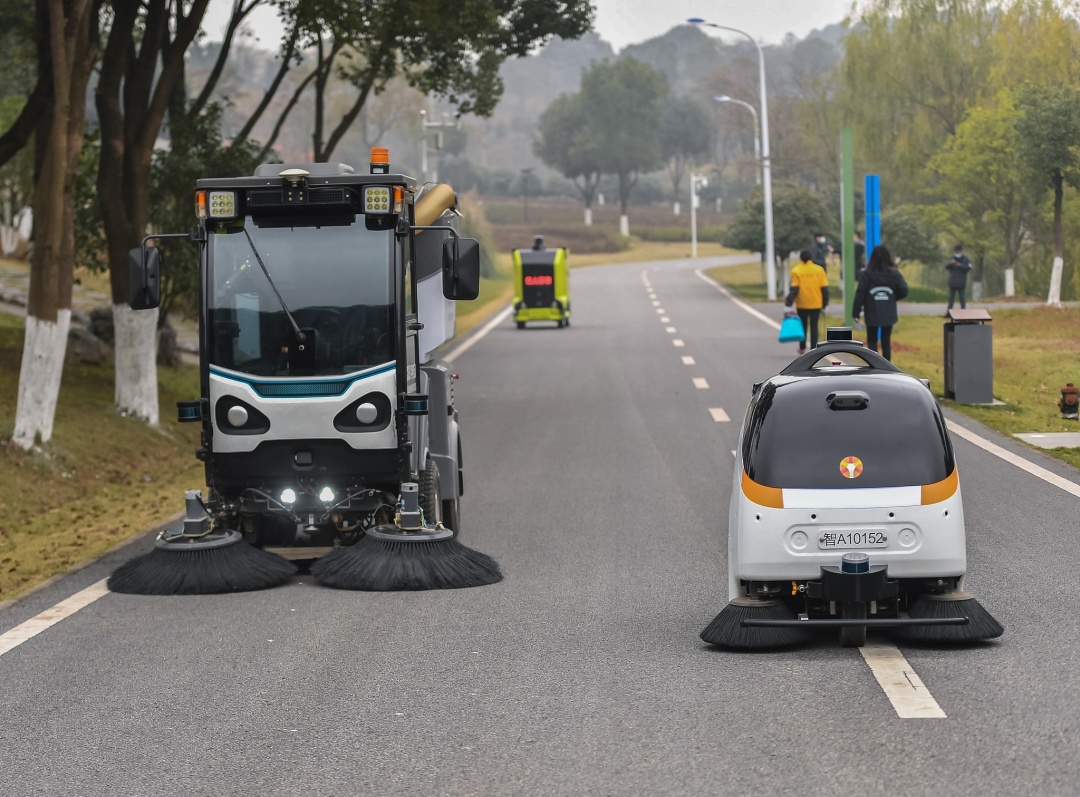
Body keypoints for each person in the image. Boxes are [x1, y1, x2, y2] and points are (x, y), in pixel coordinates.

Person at [852, 244, 908, 361]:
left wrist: (855, 312)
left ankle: (874, 367)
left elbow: (860, 294)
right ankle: (887, 368)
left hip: (872, 311)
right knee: (886, 340)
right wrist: (892, 298)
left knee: (872, 340)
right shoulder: (894, 273)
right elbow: (904, 289)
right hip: (888, 312)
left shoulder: (866, 274)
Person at [784, 250, 829, 353]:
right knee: (814, 327)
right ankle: (813, 349)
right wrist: (825, 303)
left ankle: (802, 347)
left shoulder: (796, 270)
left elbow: (794, 289)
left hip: (802, 303)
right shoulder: (819, 270)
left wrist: (788, 303)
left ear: (801, 259)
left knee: (802, 326)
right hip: (816, 303)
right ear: (811, 258)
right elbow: (824, 288)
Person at [945, 244, 973, 314]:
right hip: (953, 282)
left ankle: (963, 312)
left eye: (958, 251)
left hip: (961, 282)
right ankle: (949, 312)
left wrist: (959, 265)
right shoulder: (952, 259)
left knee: (962, 298)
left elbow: (968, 268)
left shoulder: (965, 260)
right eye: (956, 251)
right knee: (951, 299)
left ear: (961, 251)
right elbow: (946, 266)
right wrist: (952, 264)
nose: (957, 253)